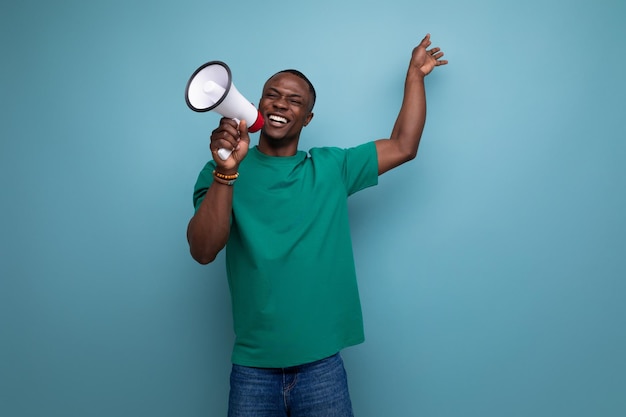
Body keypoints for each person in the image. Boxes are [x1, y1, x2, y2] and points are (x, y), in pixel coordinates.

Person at [187, 34, 447, 417]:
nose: (280, 104)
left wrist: (414, 77)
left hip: (320, 367)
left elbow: (403, 145)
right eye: (272, 95)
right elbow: (203, 250)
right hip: (252, 370)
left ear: (307, 118)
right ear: (258, 105)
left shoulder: (330, 168)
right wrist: (227, 172)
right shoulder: (220, 170)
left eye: (295, 100)